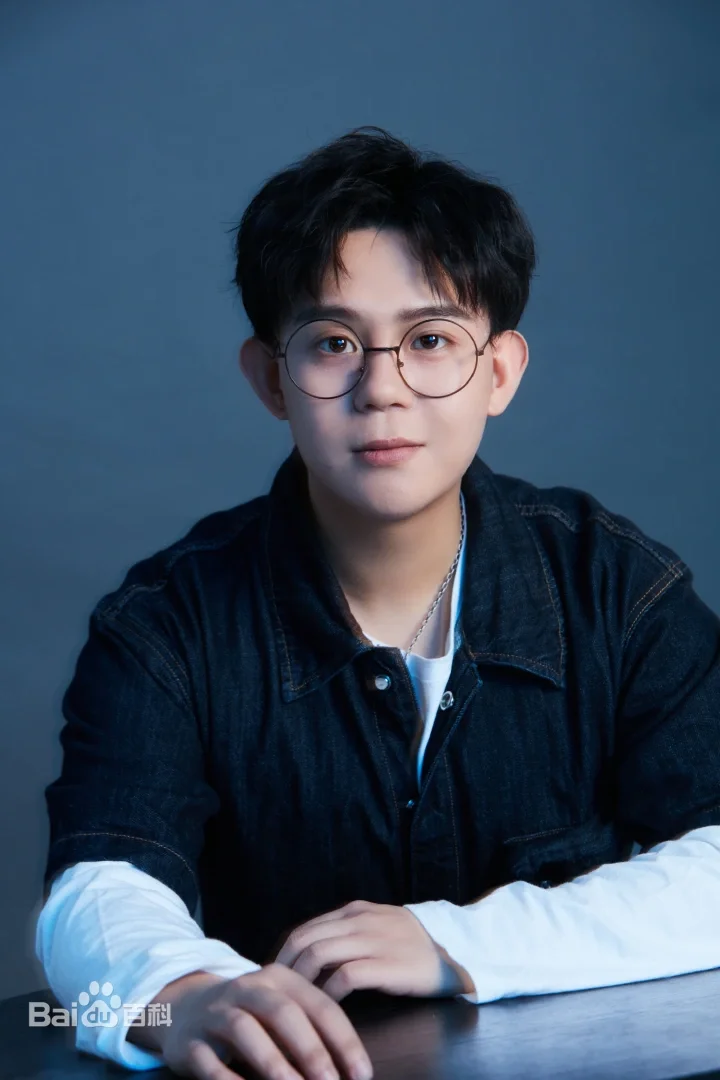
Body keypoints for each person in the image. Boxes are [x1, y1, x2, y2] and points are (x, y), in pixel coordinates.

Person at [35, 126, 720, 1080]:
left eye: (431, 340)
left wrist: (457, 942)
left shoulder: (613, 587)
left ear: (500, 372)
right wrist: (178, 995)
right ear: (271, 379)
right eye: (334, 344)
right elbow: (99, 891)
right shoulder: (166, 624)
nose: (382, 389)